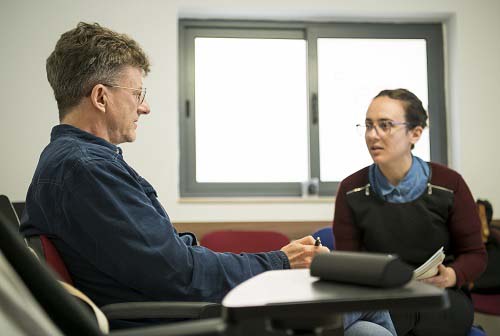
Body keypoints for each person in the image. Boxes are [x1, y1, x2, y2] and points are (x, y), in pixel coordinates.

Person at [19, 22, 395, 335]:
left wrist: (273, 261)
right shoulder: (86, 169)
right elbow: (179, 274)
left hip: (175, 311)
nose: (144, 106)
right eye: (137, 93)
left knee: (365, 329)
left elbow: (170, 261)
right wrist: (280, 260)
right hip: (181, 320)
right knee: (368, 307)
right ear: (101, 97)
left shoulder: (78, 165)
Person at [333, 88, 487, 336]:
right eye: (369, 125)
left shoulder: (449, 184)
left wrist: (451, 276)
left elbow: (475, 255)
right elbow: (347, 263)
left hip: (441, 297)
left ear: (415, 133)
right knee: (361, 325)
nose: (373, 135)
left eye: (385, 125)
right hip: (382, 298)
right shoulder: (351, 189)